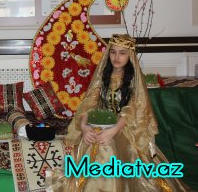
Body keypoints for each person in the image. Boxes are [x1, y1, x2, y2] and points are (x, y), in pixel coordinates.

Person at [50, 34, 191, 191]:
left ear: (130, 55)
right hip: (100, 124)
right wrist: (84, 127)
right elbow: (89, 104)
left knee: (107, 145)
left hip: (126, 128)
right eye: (113, 52)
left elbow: (132, 109)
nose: (116, 57)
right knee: (93, 140)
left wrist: (114, 130)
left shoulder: (133, 80)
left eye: (122, 53)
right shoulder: (102, 77)